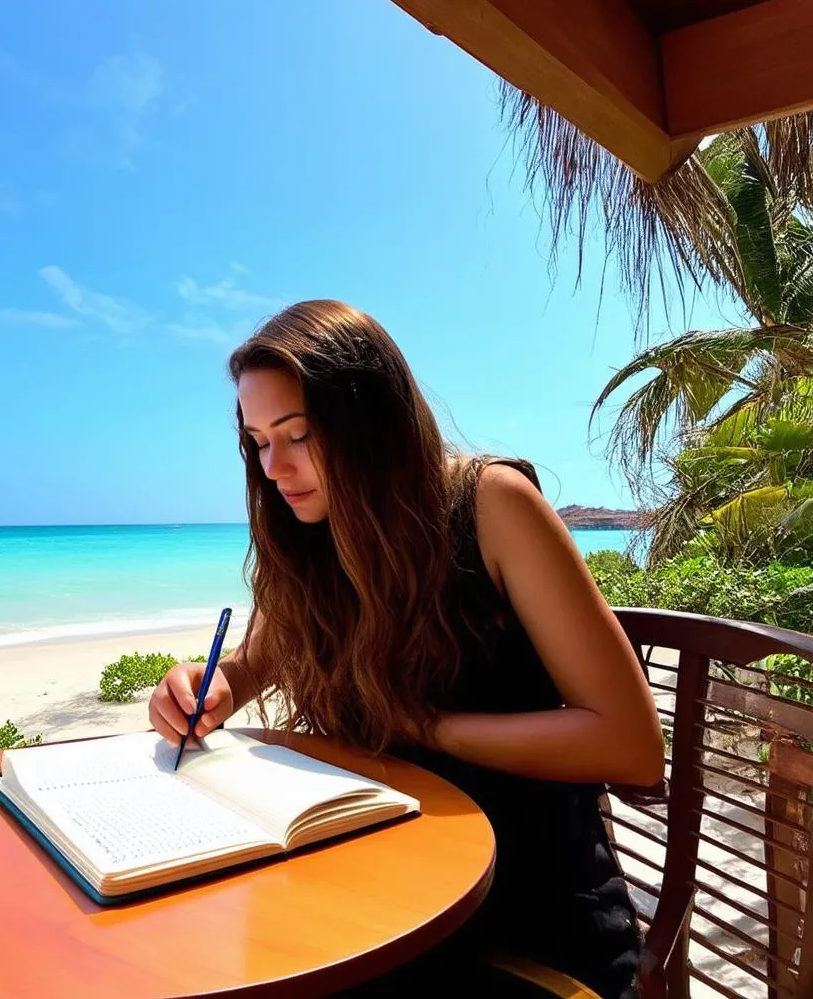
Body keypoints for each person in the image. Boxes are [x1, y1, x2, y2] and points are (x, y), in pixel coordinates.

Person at [148, 300, 664, 998]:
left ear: (371, 424)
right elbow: (246, 667)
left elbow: (628, 742)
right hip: (375, 897)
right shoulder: (314, 533)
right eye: (259, 442)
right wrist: (201, 688)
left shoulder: (491, 506)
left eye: (298, 435)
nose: (275, 467)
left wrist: (424, 727)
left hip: (522, 924)